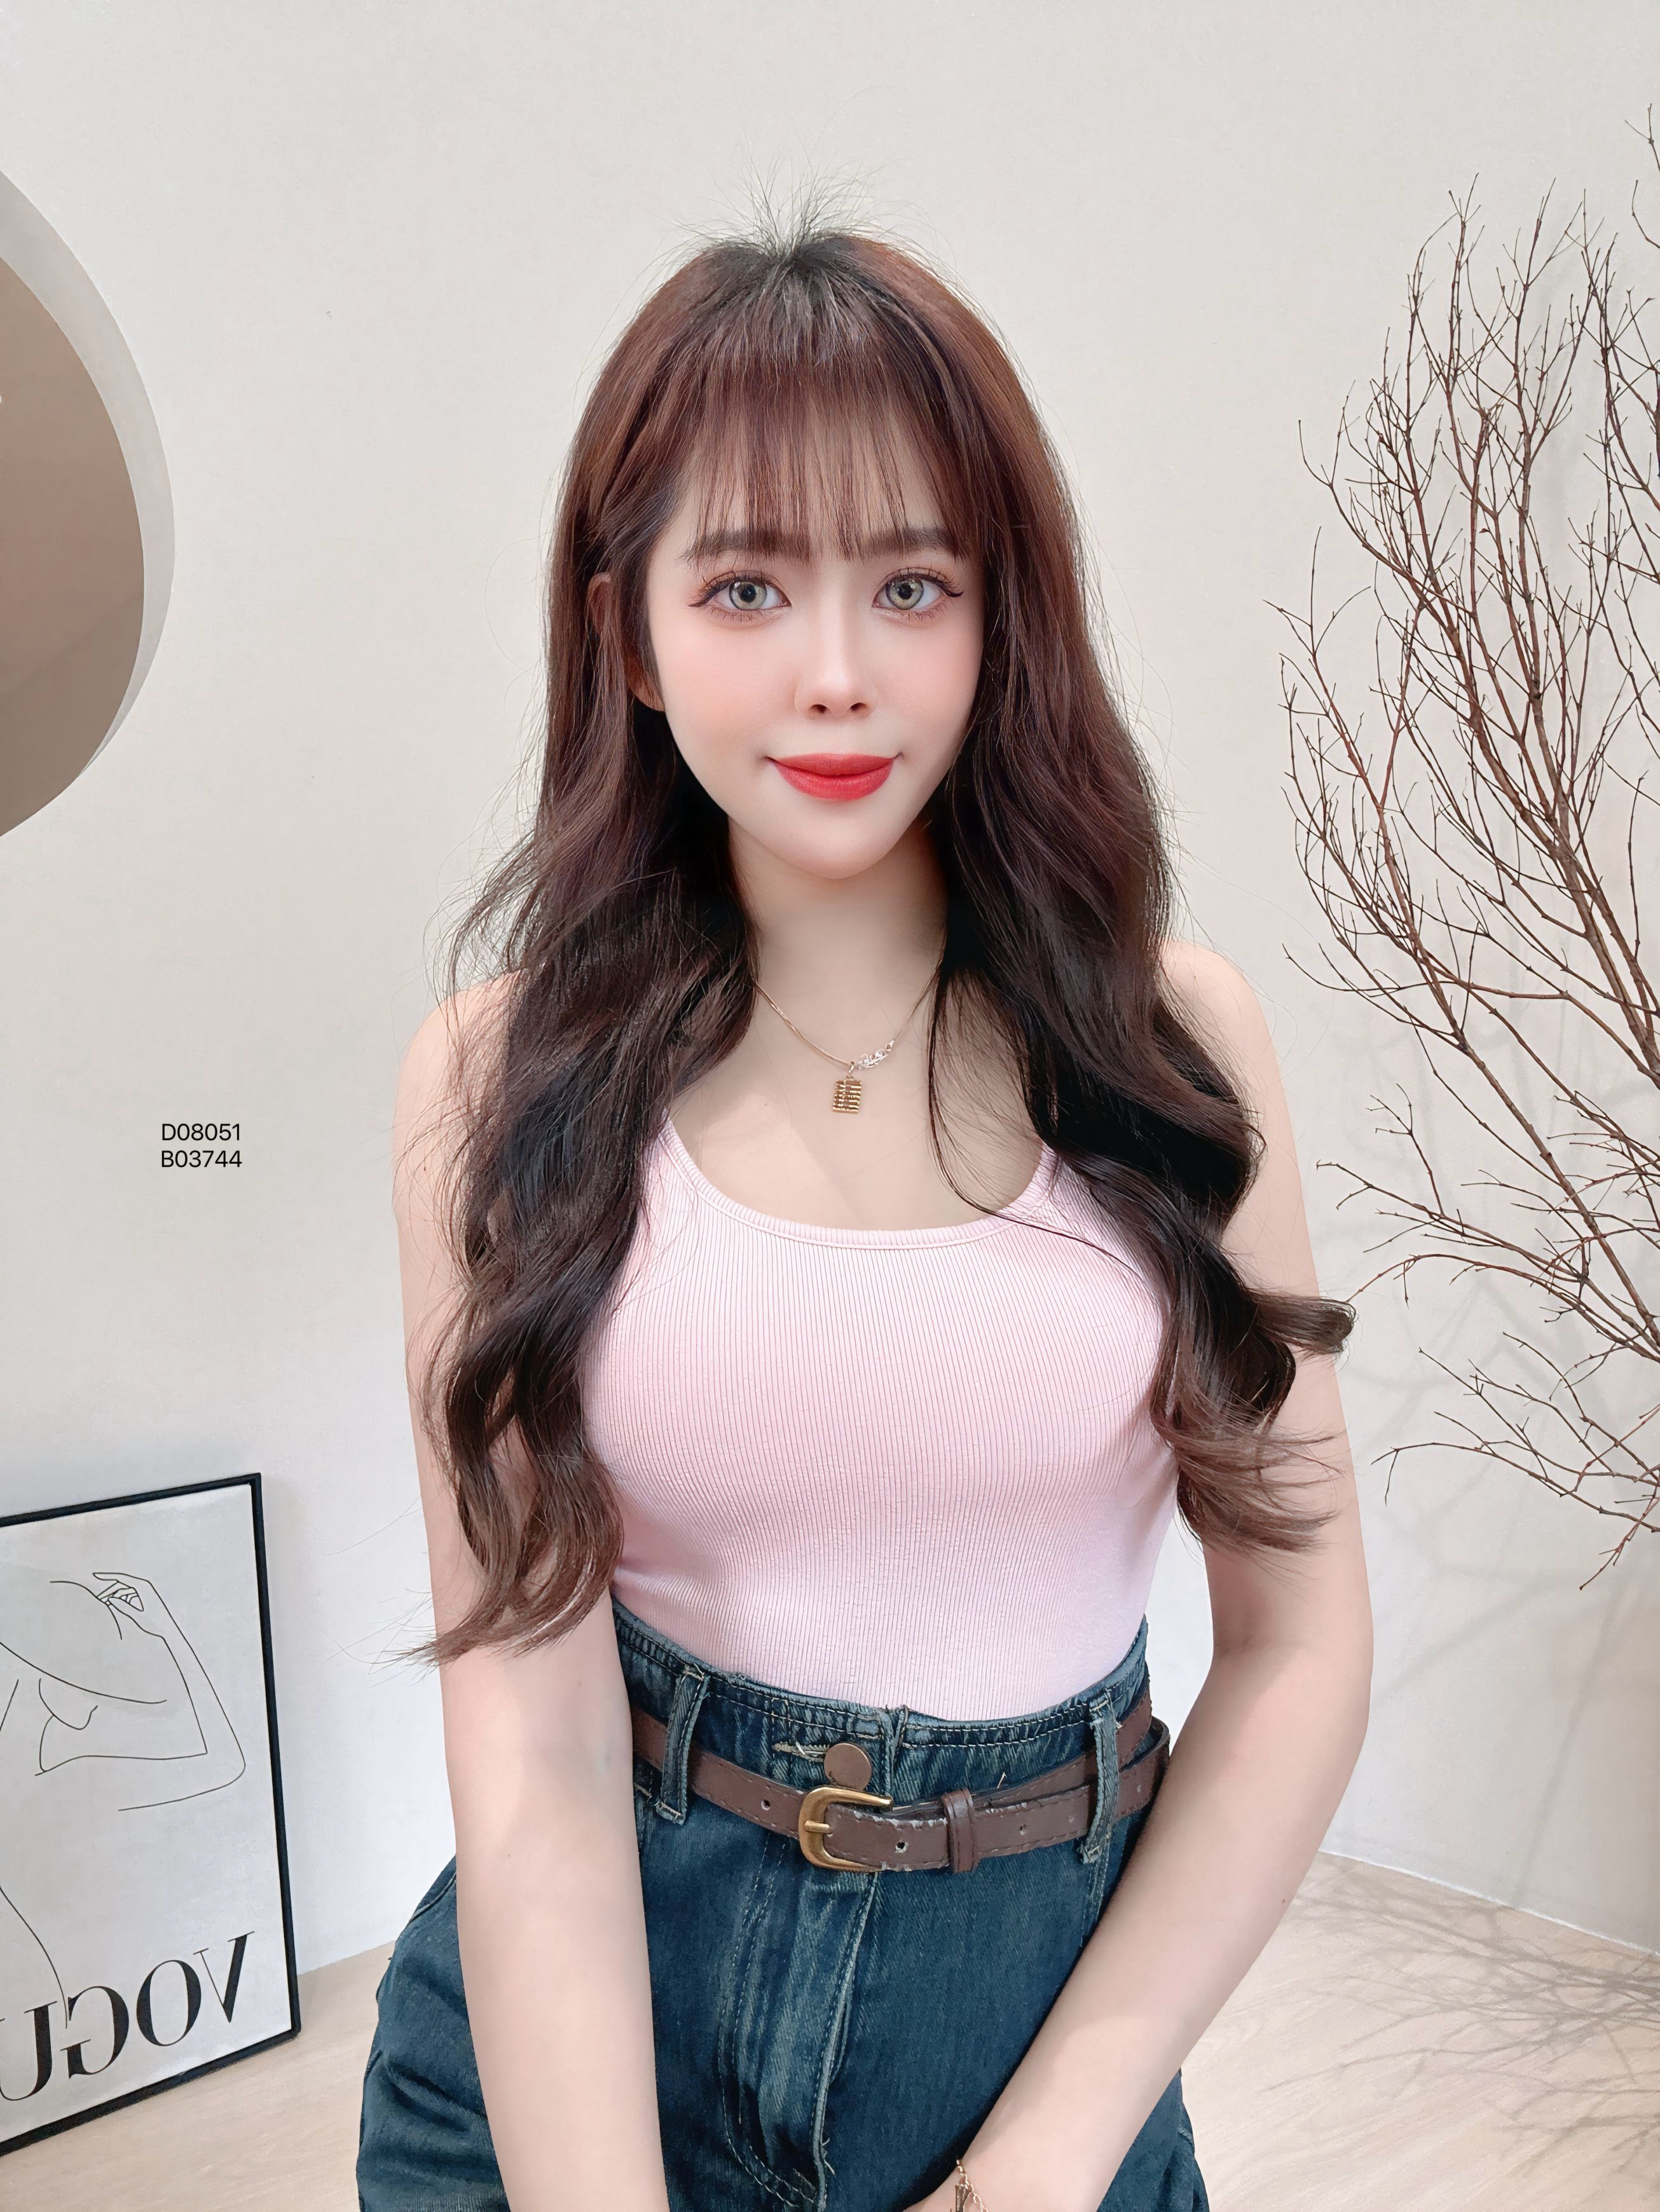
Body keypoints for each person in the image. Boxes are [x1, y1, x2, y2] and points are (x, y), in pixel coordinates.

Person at [355, 212, 1373, 2212]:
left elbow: (1298, 1646)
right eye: (745, 585)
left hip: (1037, 2045)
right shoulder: (494, 1084)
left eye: (911, 583)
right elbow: (533, 1750)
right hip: (573, 2067)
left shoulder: (1176, 1053)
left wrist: (1054, 2147)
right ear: (628, 637)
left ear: (999, 620)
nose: (835, 675)